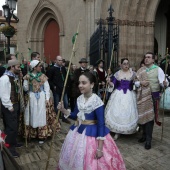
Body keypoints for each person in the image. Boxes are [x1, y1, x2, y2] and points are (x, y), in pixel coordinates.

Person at [57, 72, 126, 170]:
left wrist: (100, 148)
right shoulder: (79, 99)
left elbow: (101, 124)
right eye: (79, 83)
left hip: (92, 136)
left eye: (84, 83)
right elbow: (76, 116)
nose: (80, 85)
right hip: (78, 131)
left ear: (92, 84)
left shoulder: (97, 101)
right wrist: (63, 110)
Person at [135, 52, 169, 150]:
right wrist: (140, 82)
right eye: (145, 57)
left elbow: (162, 84)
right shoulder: (141, 70)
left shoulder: (158, 70)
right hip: (142, 96)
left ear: (153, 60)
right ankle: (144, 135)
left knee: (149, 118)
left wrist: (164, 84)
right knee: (143, 115)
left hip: (153, 96)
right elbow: (135, 83)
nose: (146, 59)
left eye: (149, 57)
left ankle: (149, 140)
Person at [23, 60, 57, 143]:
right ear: (34, 67)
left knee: (41, 114)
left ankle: (41, 135)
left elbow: (47, 88)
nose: (41, 67)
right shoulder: (28, 76)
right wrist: (27, 86)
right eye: (39, 66)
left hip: (41, 97)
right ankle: (31, 134)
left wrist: (47, 99)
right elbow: (25, 88)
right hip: (31, 97)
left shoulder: (43, 76)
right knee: (32, 114)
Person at [105, 58, 138, 140]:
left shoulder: (133, 74)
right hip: (118, 94)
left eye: (127, 63)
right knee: (118, 112)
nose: (126, 65)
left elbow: (136, 84)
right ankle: (117, 131)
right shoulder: (117, 74)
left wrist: (136, 82)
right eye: (124, 63)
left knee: (128, 112)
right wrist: (109, 81)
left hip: (129, 95)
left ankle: (127, 129)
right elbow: (114, 84)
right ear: (121, 65)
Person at [0, 60, 21, 157]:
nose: (20, 68)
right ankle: (9, 149)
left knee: (15, 126)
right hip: (10, 106)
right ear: (12, 67)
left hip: (15, 104)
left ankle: (13, 142)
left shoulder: (14, 77)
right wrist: (9, 106)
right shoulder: (4, 78)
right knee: (10, 128)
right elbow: (3, 94)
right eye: (18, 66)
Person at [47, 56, 70, 124]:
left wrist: (67, 85)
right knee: (57, 104)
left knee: (65, 103)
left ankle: (64, 117)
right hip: (56, 89)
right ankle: (56, 119)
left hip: (63, 89)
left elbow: (66, 77)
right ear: (56, 61)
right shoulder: (52, 69)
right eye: (59, 60)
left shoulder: (63, 68)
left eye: (61, 60)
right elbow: (49, 80)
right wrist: (53, 86)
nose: (61, 62)